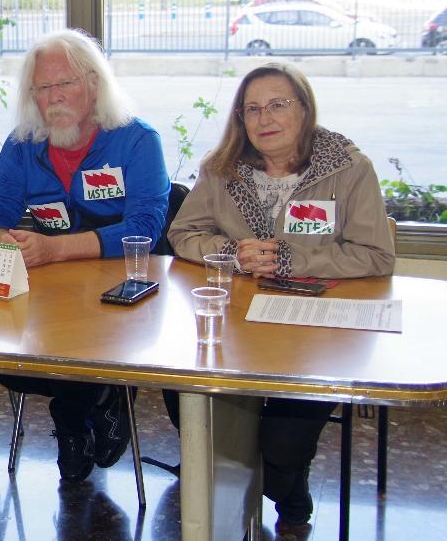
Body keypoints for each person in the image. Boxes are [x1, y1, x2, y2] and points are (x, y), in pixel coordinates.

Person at [168, 62, 394, 541]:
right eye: (251, 109)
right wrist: (231, 253)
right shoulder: (221, 169)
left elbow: (376, 255)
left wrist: (291, 257)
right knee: (182, 396)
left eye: (277, 104)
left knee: (280, 450)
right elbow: (184, 234)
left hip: (315, 336)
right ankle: (236, 486)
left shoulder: (350, 169)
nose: (263, 118)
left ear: (305, 110)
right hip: (239, 328)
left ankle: (287, 490)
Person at [0, 29, 169, 483]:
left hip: (125, 295)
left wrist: (55, 249)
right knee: (0, 356)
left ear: (95, 84)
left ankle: (74, 413)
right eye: (44, 88)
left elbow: (145, 228)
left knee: (81, 352)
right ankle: (95, 398)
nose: (55, 97)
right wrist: (2, 235)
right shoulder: (23, 144)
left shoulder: (137, 141)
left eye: (67, 84)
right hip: (50, 292)